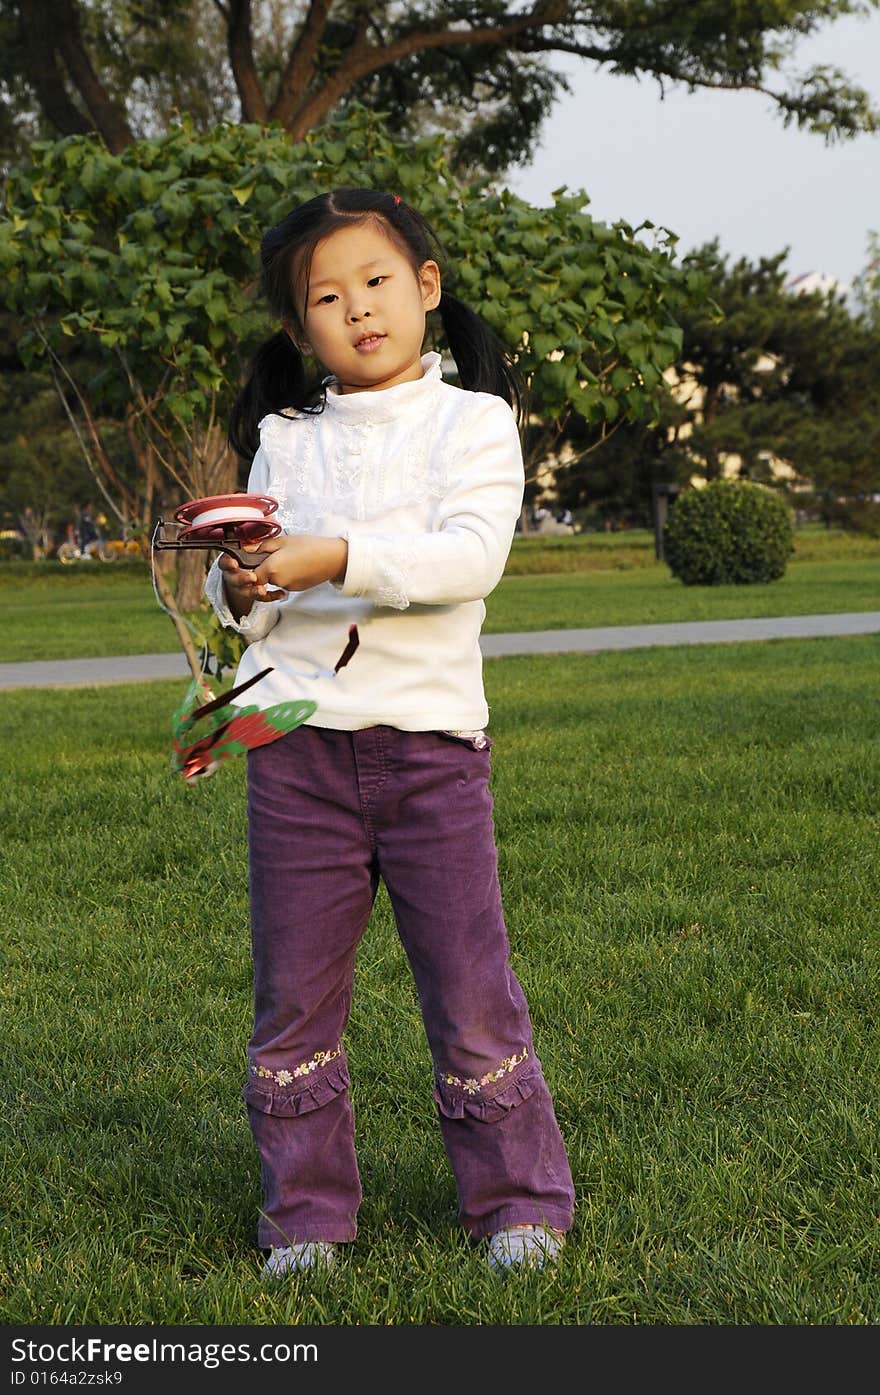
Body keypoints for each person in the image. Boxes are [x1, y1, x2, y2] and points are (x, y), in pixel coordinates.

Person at [205, 187, 575, 1279]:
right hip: (294, 753)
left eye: (376, 282)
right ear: (296, 326)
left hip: (430, 758)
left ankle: (516, 1202)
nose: (358, 309)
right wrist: (246, 585)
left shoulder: (474, 422)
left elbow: (469, 561)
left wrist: (333, 556)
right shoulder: (284, 439)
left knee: (468, 990)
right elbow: (261, 606)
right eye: (326, 296)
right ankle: (307, 1219)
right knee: (293, 999)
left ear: (425, 289)